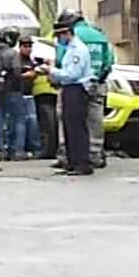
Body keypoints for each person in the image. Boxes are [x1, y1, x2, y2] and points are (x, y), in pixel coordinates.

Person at [54, 11, 113, 170]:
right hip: (96, 84)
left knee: (70, 122)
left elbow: (60, 60)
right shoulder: (100, 36)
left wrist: (54, 73)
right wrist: (99, 77)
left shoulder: (73, 40)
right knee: (95, 120)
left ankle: (67, 155)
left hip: (74, 85)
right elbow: (109, 61)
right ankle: (95, 153)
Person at [49, 12, 95, 175]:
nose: (59, 39)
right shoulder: (69, 49)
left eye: (60, 35)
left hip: (77, 89)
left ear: (67, 33)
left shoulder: (78, 49)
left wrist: (52, 71)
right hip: (69, 89)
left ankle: (82, 163)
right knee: (69, 127)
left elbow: (73, 74)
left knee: (76, 128)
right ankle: (72, 161)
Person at [0, 28, 26, 161]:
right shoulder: (12, 54)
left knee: (0, 118)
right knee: (19, 119)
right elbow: (16, 72)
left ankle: (2, 150)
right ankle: (18, 150)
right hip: (13, 90)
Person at [12, 34, 42, 159]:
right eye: (25, 46)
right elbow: (15, 76)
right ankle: (19, 149)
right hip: (19, 94)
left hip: (29, 94)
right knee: (21, 123)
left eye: (30, 46)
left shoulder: (31, 60)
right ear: (20, 47)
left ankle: (35, 148)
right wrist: (27, 75)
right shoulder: (17, 60)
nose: (28, 48)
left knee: (33, 122)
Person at [30, 37, 59, 159]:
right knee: (53, 122)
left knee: (46, 124)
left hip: (41, 92)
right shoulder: (57, 50)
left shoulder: (39, 53)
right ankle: (53, 148)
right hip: (54, 91)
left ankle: (47, 150)